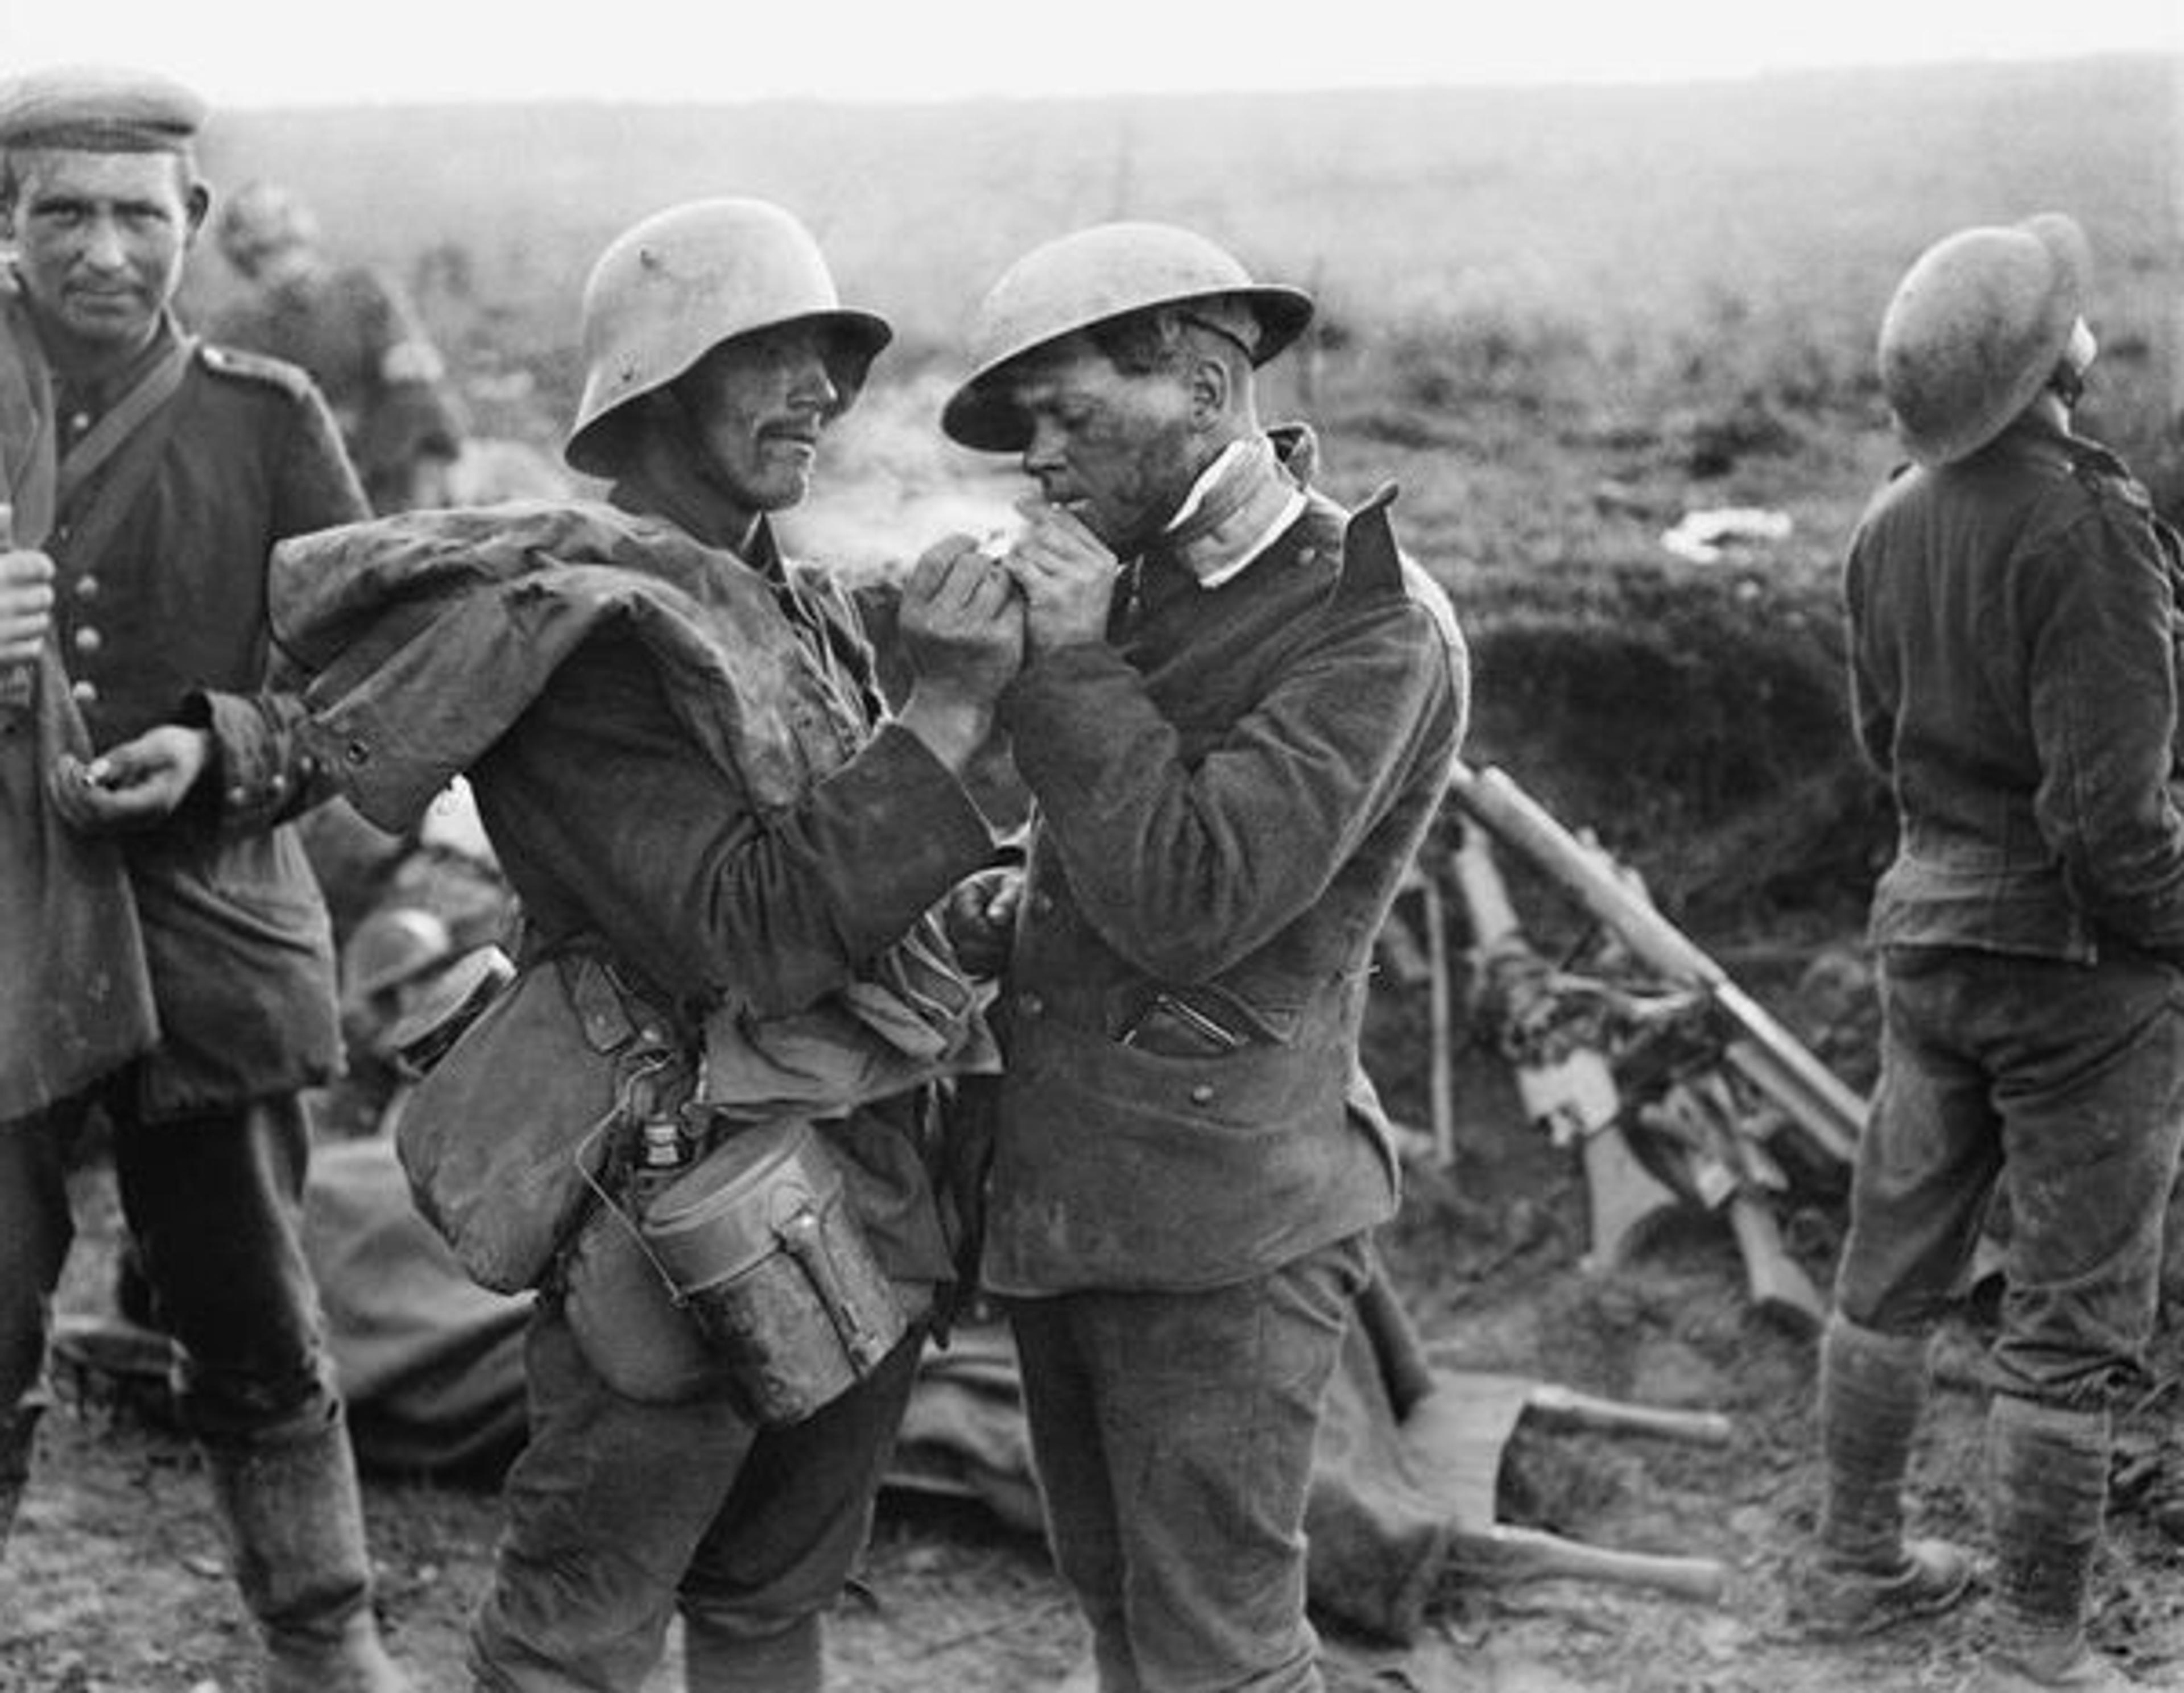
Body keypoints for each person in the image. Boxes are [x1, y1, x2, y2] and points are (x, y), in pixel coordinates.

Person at [268, 196, 1023, 1693]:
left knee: (772, 1594)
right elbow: (752, 930)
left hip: (862, 1188)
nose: (817, 387)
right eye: (769, 354)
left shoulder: (789, 611)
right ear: (658, 385)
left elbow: (861, 889)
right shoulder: (587, 640)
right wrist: (940, 718)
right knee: (576, 1635)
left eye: (828, 357)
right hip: (682, 1207)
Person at [931, 221, 1469, 1692]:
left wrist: (1063, 661)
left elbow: (1194, 896)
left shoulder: (1365, 623)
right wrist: (1008, 905)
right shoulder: (1146, 576)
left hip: (1222, 1225)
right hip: (1076, 1196)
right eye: (1026, 426)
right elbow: (1115, 856)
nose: (1036, 458)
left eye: (1069, 412)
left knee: (1218, 1649)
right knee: (1116, 1604)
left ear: (1206, 382)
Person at [0, 64, 410, 1693]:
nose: (102, 251)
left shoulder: (267, 419)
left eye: (134, 215)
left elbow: (371, 692)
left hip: (209, 932)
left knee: (250, 1312)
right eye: (60, 213)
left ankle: (325, 1641)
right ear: (2, 224)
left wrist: (226, 752)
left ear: (198, 222)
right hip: (0, 937)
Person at [1800, 213, 2184, 1692]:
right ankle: (2041, 1641)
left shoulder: (1891, 519)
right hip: (2078, 971)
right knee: (2078, 1308)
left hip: (1928, 934)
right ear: (2054, 365)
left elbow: (1879, 745)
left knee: (1889, 1268)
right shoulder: (2089, 528)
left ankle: (1854, 1568)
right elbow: (2110, 827)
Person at [210, 179, 468, 514]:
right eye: (261, 235)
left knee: (422, 403)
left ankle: (421, 527)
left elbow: (415, 380)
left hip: (380, 466)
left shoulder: (363, 291)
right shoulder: (233, 329)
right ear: (241, 246)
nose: (276, 229)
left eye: (283, 214)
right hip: (293, 478)